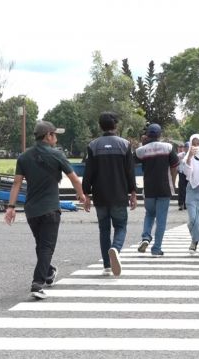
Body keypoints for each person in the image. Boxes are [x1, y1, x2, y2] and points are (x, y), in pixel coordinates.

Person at [4, 121, 86, 300]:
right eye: (55, 135)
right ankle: (37, 283)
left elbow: (16, 183)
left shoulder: (24, 157)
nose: (56, 138)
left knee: (41, 245)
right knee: (46, 247)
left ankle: (49, 272)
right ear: (48, 135)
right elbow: (75, 179)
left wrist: (10, 207)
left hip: (32, 210)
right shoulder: (57, 155)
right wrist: (82, 196)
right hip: (50, 209)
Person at [82, 112, 138, 277]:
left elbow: (88, 173)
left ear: (100, 126)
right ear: (116, 126)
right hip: (119, 195)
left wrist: (86, 195)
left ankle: (107, 265)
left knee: (104, 229)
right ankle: (116, 249)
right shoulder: (125, 145)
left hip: (100, 196)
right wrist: (133, 193)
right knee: (120, 226)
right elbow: (130, 172)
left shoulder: (93, 146)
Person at [135, 123, 179, 257]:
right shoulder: (168, 148)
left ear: (147, 135)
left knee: (149, 214)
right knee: (161, 220)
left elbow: (130, 161)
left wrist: (142, 143)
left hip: (149, 189)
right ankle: (156, 248)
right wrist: (173, 181)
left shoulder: (142, 150)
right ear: (160, 135)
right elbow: (175, 166)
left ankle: (146, 238)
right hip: (164, 188)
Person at [177, 142, 190, 210]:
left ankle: (186, 204)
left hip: (189, 174)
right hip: (181, 173)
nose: (186, 148)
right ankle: (181, 204)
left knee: (188, 189)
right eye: (185, 147)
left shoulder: (192, 155)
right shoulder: (180, 155)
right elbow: (176, 163)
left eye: (188, 147)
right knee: (181, 188)